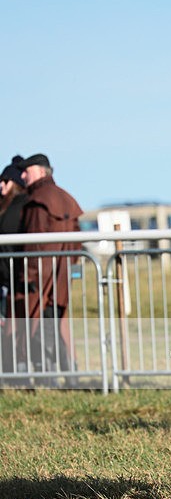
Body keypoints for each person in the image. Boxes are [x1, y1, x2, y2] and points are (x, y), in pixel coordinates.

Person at [13, 153, 82, 377]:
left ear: (41, 171)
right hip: (60, 279)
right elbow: (76, 244)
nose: (22, 175)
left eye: (27, 170)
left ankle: (46, 378)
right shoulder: (65, 198)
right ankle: (69, 375)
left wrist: (28, 279)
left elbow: (34, 248)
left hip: (38, 281)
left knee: (36, 331)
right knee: (54, 328)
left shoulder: (37, 202)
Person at [0, 156, 28, 324]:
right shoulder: (4, 206)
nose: (1, 184)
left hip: (13, 278)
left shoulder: (21, 206)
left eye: (6, 181)